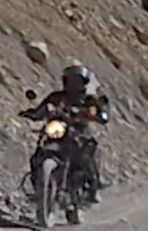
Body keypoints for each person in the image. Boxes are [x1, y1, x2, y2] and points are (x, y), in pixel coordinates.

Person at [21, 63, 111, 202]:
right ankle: (38, 190)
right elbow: (42, 109)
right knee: (36, 157)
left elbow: (101, 114)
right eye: (71, 80)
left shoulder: (88, 100)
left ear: (84, 83)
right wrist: (32, 113)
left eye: (77, 81)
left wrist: (96, 114)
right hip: (58, 131)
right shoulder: (56, 97)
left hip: (79, 133)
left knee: (87, 154)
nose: (73, 84)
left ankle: (94, 186)